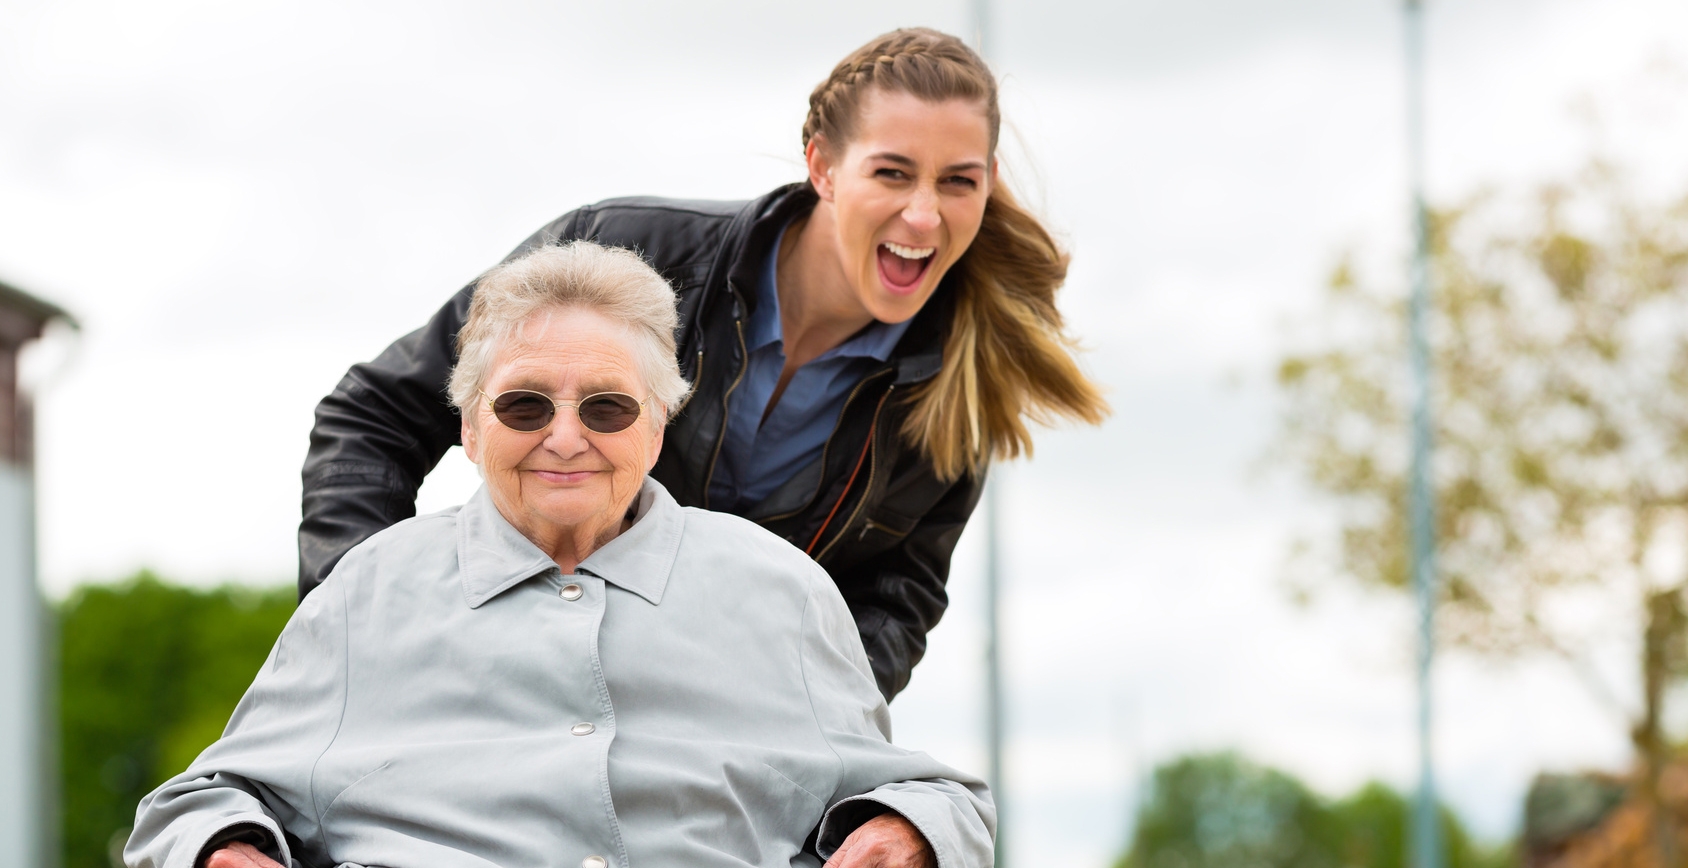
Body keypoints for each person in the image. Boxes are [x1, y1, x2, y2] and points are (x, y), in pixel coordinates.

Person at [300, 27, 1108, 701]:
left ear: (988, 184)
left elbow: (893, 604)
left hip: (703, 744)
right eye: (891, 172)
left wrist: (809, 745)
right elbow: (373, 417)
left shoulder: (961, 389)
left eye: (957, 182)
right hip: (509, 680)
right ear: (822, 166)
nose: (923, 214)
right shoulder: (624, 249)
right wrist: (368, 634)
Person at [128, 242, 993, 868]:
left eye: (609, 408)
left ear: (659, 426)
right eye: (525, 407)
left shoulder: (780, 591)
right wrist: (225, 849)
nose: (566, 438)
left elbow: (935, 797)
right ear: (468, 428)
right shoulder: (370, 590)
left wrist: (905, 830)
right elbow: (196, 804)